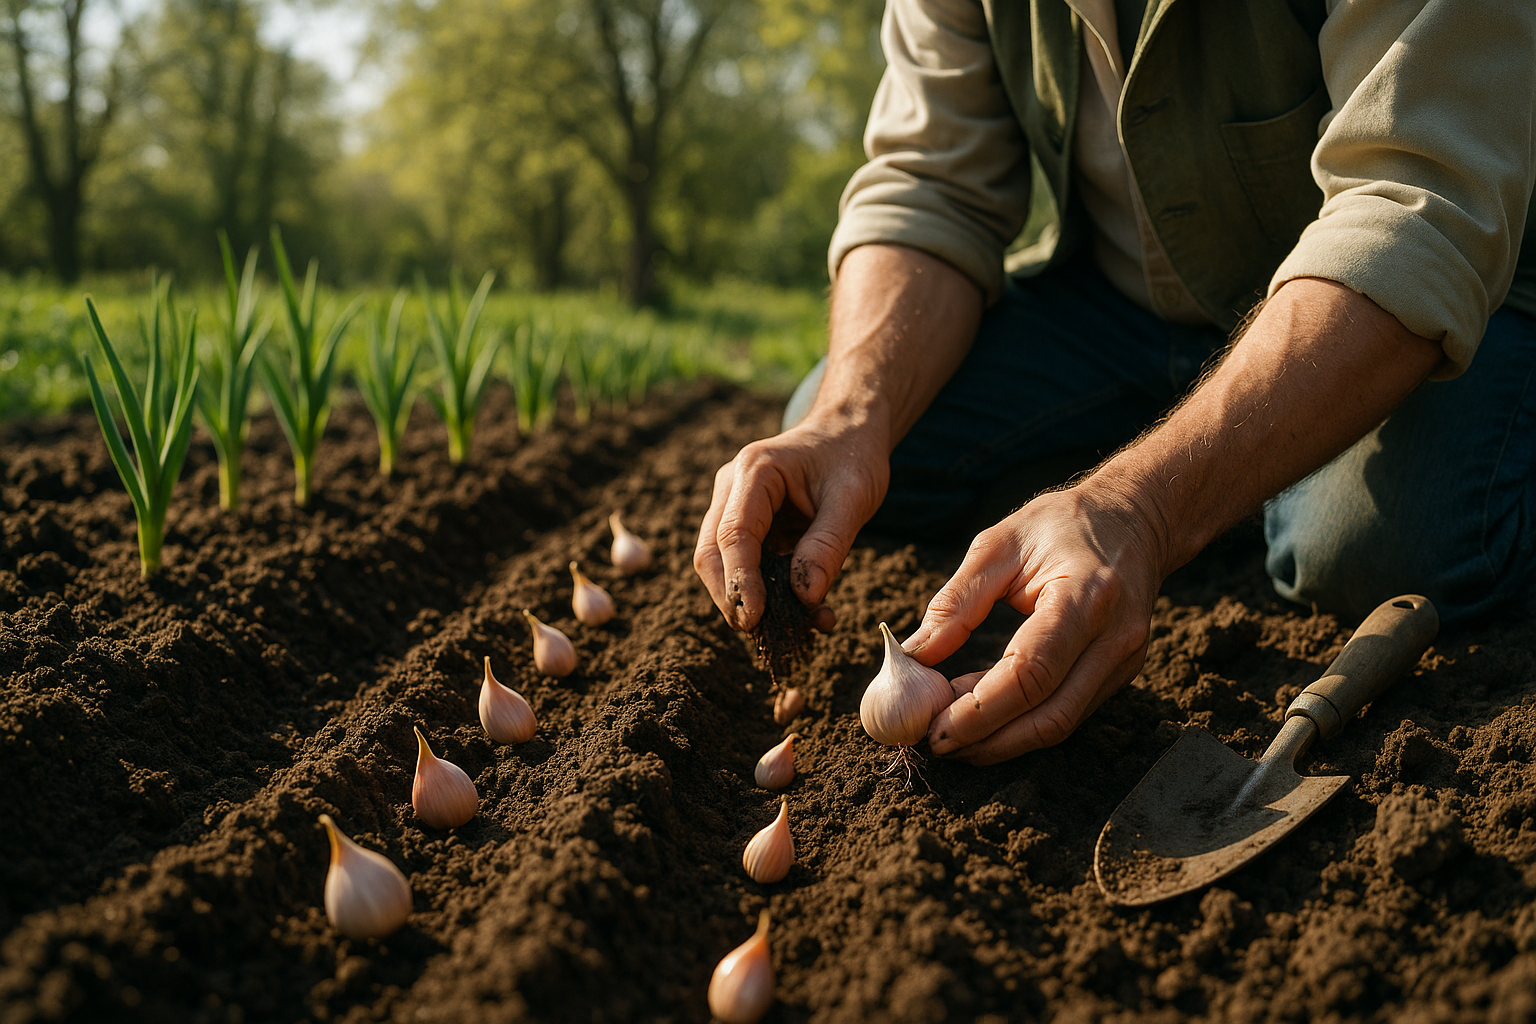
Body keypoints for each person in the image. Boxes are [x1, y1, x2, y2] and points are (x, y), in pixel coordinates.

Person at [694, 0, 1536, 766]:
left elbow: (1411, 202)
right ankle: (1215, 472)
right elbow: (931, 184)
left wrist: (1143, 508)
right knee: (842, 444)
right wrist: (850, 417)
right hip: (1115, 306)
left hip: (1387, 290)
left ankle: (1203, 484)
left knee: (1372, 550)